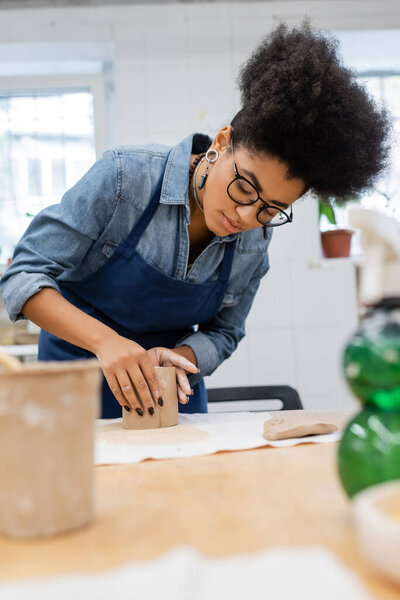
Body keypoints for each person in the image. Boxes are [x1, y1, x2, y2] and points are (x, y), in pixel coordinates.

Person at [0, 22, 390, 418]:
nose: (246, 215)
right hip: (74, 383)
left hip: (170, 394)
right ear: (221, 142)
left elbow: (224, 332)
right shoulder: (125, 180)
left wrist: (178, 357)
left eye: (269, 210)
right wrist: (106, 342)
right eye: (243, 188)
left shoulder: (254, 244)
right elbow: (24, 274)